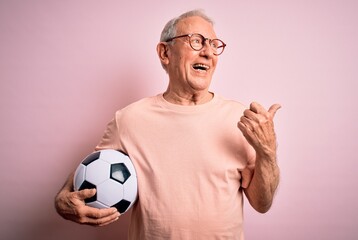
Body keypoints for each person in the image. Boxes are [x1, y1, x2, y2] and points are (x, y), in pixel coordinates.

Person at [55, 9, 281, 240]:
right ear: (165, 52)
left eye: (214, 45)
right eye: (196, 41)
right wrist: (63, 196)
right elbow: (94, 166)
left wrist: (267, 151)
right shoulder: (130, 119)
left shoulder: (239, 118)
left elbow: (262, 204)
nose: (207, 52)